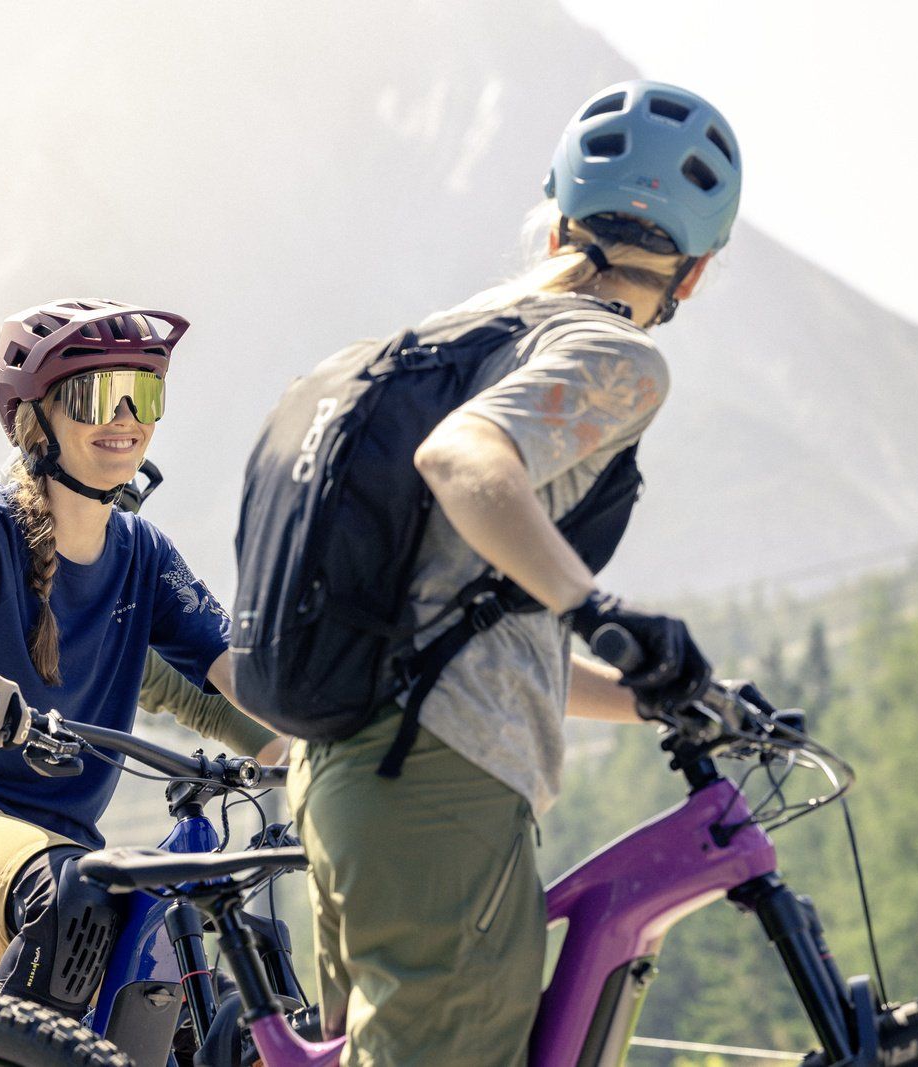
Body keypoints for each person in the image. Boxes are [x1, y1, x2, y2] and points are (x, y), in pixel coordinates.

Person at [287, 80, 739, 1065]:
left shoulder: (466, 338)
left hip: (349, 779)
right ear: (692, 274)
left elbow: (482, 634)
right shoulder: (612, 351)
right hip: (437, 794)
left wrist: (664, 696)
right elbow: (463, 462)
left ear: (557, 225)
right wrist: (600, 608)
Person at [0, 298, 271, 1017]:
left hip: (59, 856)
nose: (127, 417)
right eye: (98, 395)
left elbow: (233, 671)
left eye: (146, 394)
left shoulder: (144, 556)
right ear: (33, 419)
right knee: (82, 896)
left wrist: (326, 737)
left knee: (218, 975)